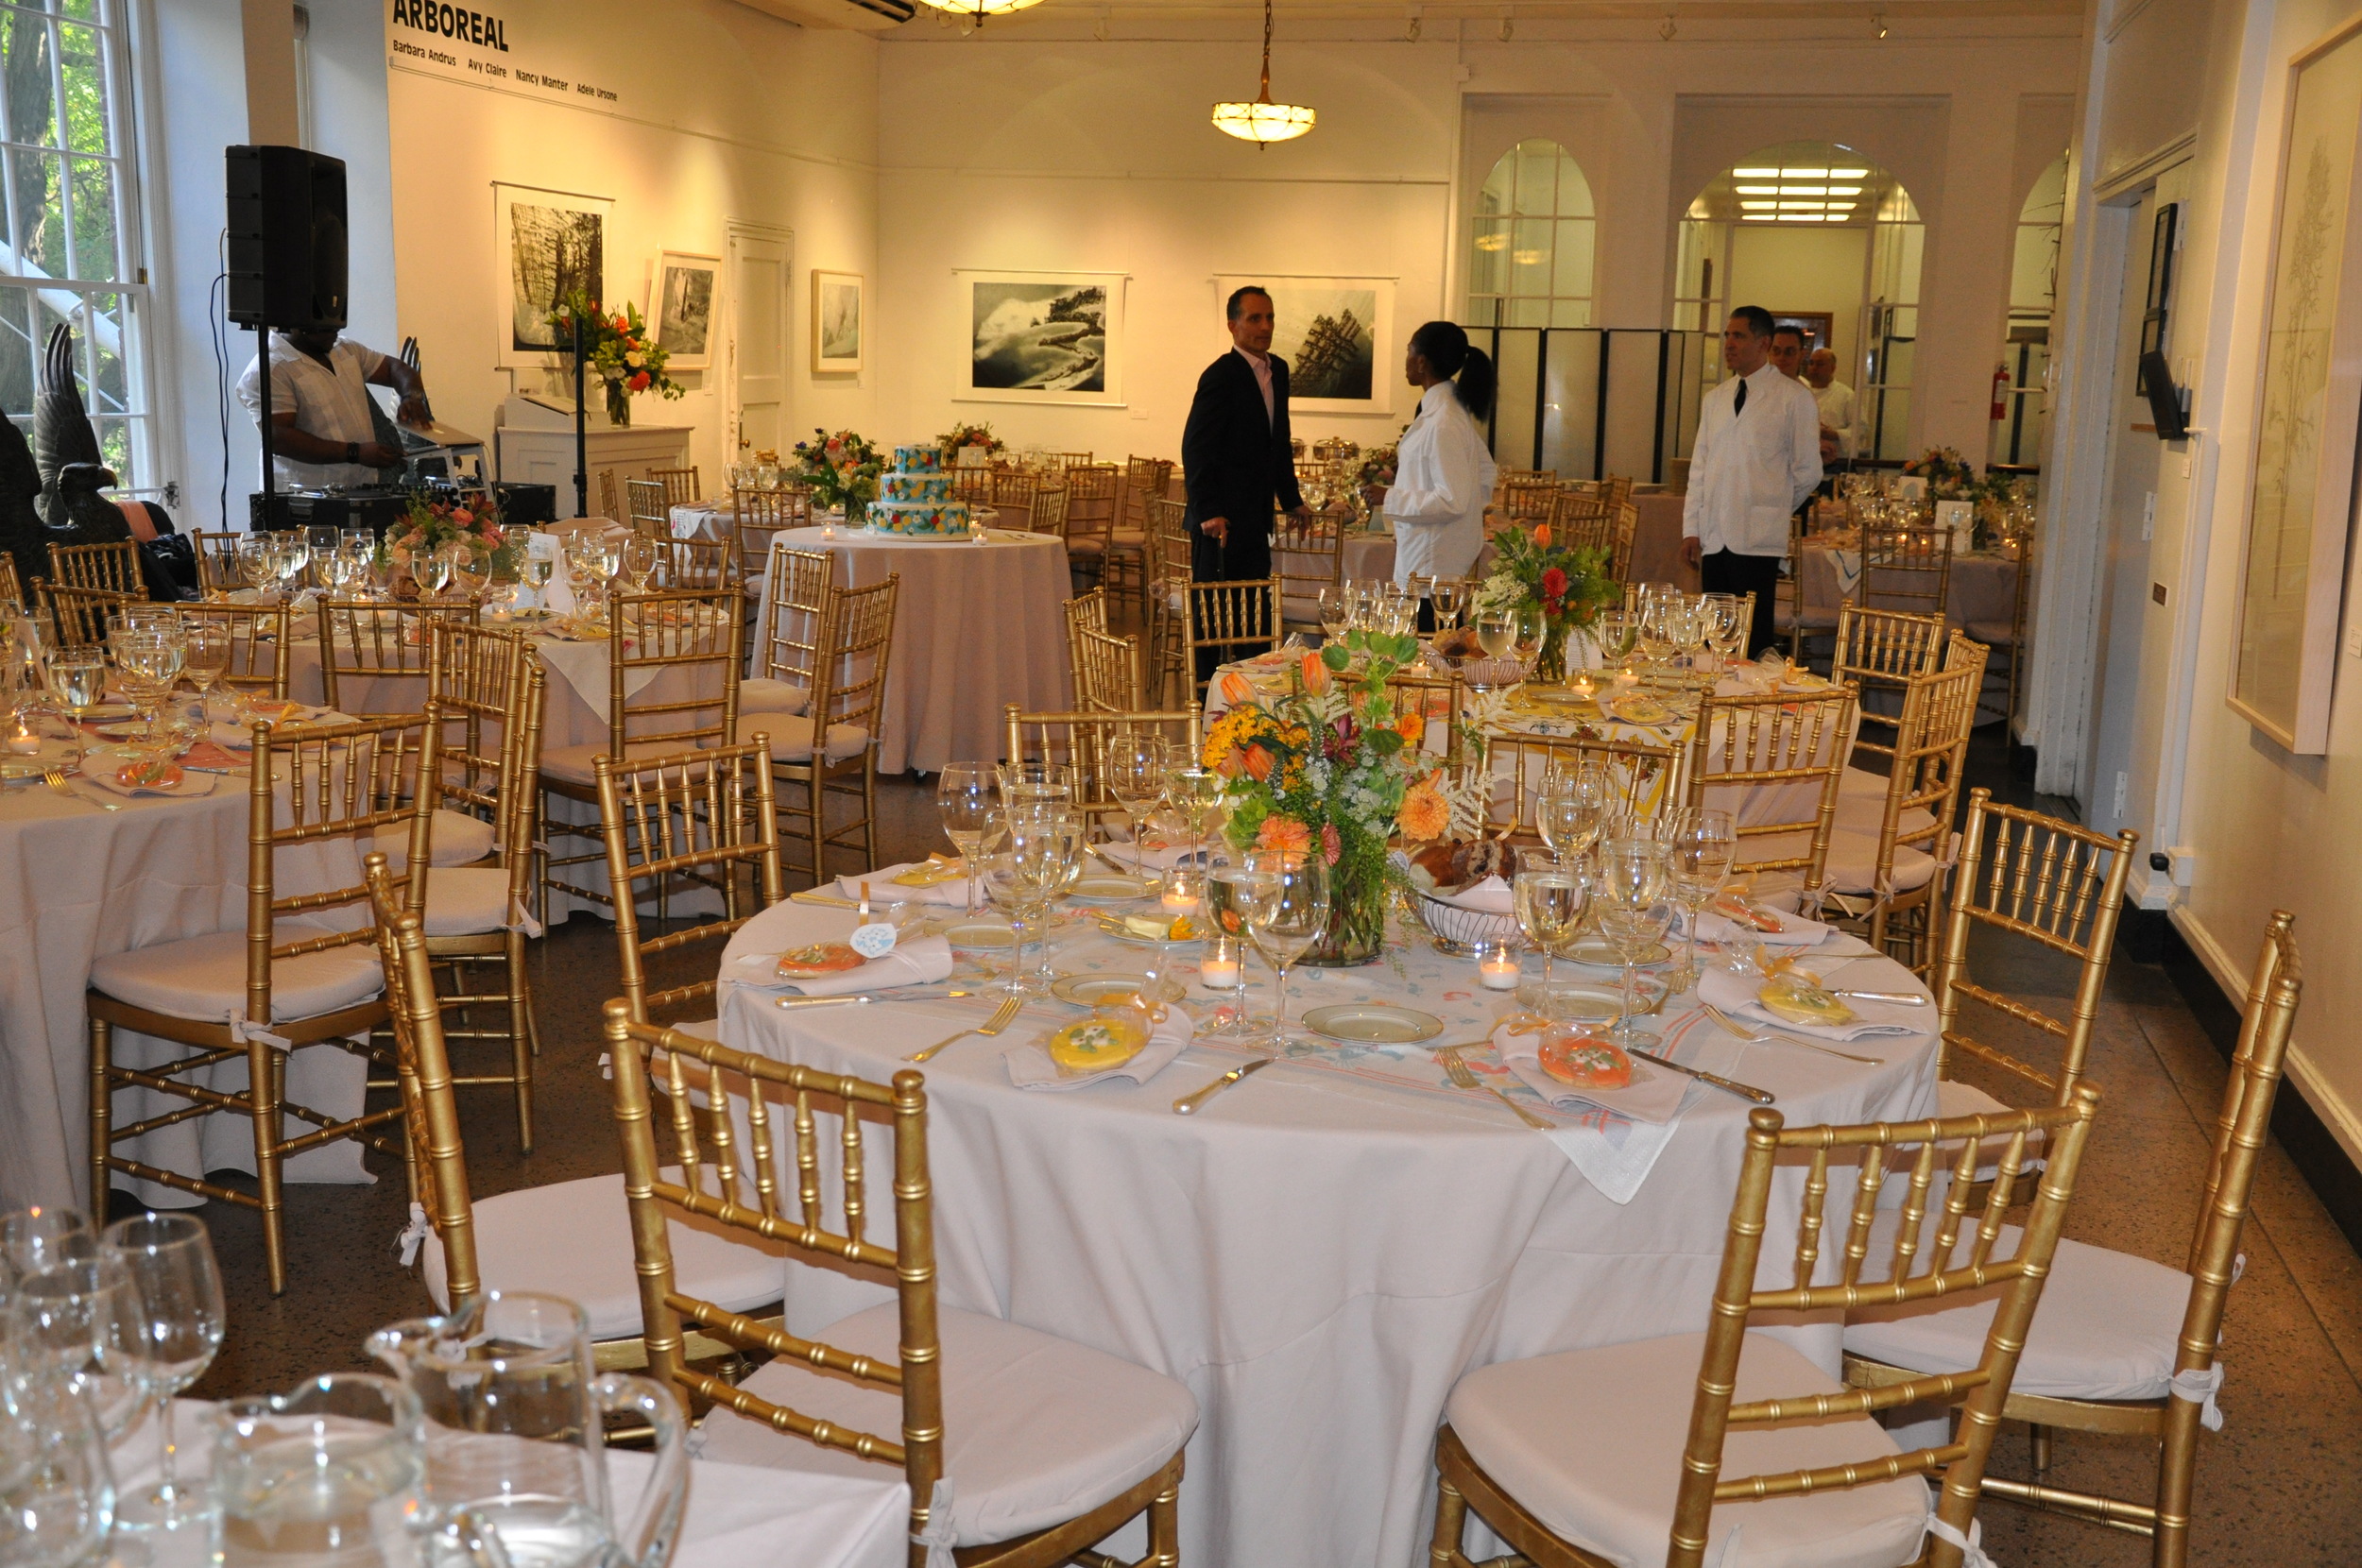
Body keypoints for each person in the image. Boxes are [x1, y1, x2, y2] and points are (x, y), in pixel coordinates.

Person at [1682, 306, 1822, 657]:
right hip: (1714, 536)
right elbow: (1700, 468)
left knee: (1752, 642)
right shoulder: (1715, 399)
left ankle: (1750, 708)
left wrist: (1771, 506)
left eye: (1738, 336)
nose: (1729, 343)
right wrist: (1691, 528)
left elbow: (1809, 471)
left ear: (1763, 343)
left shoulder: (1794, 398)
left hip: (1757, 538)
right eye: (1727, 335)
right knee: (1715, 639)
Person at [1181, 285, 1307, 676]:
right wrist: (1209, 510)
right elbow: (1196, 448)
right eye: (1255, 318)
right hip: (1219, 524)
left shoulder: (1279, 370)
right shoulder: (1220, 375)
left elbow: (1278, 441)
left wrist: (1292, 499)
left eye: (1270, 318)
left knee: (1256, 615)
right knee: (1214, 621)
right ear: (1233, 325)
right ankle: (1205, 708)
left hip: (1255, 519)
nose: (1265, 326)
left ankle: (1253, 700)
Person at [1366, 320, 1497, 620]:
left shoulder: (1444, 420)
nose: (1407, 359)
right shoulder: (1446, 411)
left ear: (1422, 361)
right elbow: (1486, 474)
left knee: (1425, 654)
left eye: (1409, 350)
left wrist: (1391, 497)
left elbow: (1451, 499)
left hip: (1432, 569)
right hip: (1434, 557)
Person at [235, 328, 433, 490]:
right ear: (296, 323)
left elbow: (393, 368)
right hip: (305, 496)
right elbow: (280, 438)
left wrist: (411, 397)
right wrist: (355, 453)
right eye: (326, 327)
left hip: (360, 488)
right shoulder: (271, 368)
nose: (337, 330)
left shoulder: (345, 350)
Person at [1806, 347, 1862, 461]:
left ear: (1832, 368)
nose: (1814, 368)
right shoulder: (1800, 392)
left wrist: (1835, 434)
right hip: (1804, 459)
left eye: (1820, 364)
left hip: (1836, 461)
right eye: (1811, 363)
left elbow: (1861, 429)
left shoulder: (1846, 395)